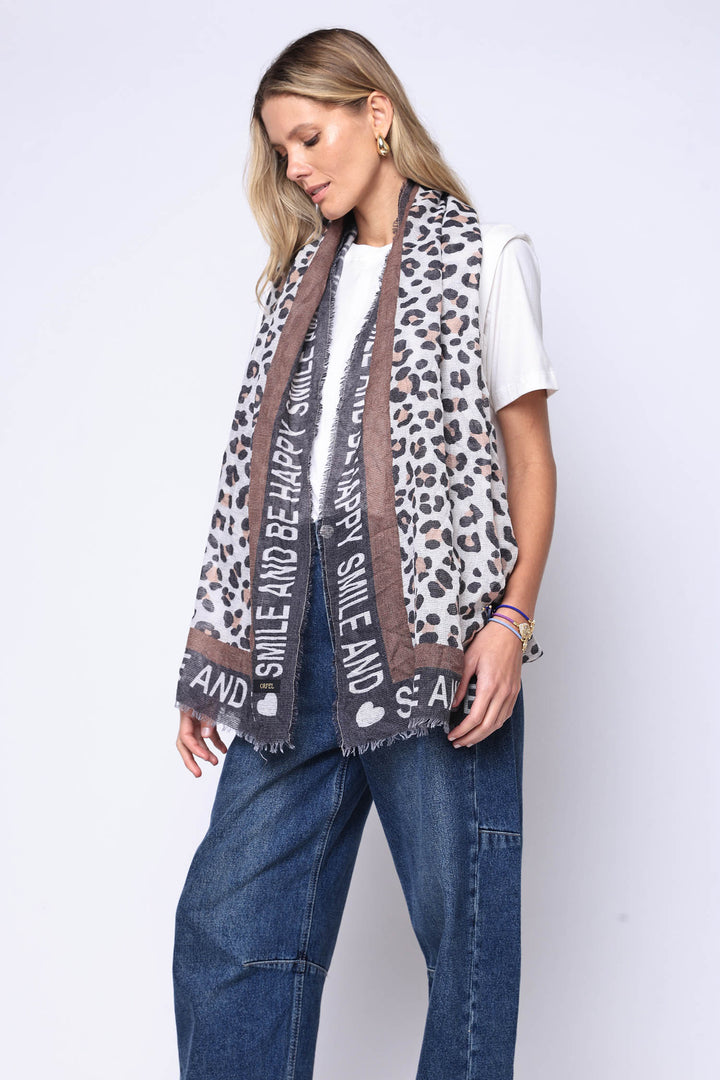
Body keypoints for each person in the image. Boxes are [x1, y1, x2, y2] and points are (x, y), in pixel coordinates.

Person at [172, 27, 558, 1080]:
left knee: (465, 939)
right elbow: (261, 478)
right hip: (287, 638)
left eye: (309, 137)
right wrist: (220, 652)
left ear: (375, 113)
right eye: (281, 151)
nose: (296, 167)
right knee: (226, 929)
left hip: (431, 637)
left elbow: (529, 460)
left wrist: (510, 620)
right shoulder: (301, 277)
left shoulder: (486, 257)